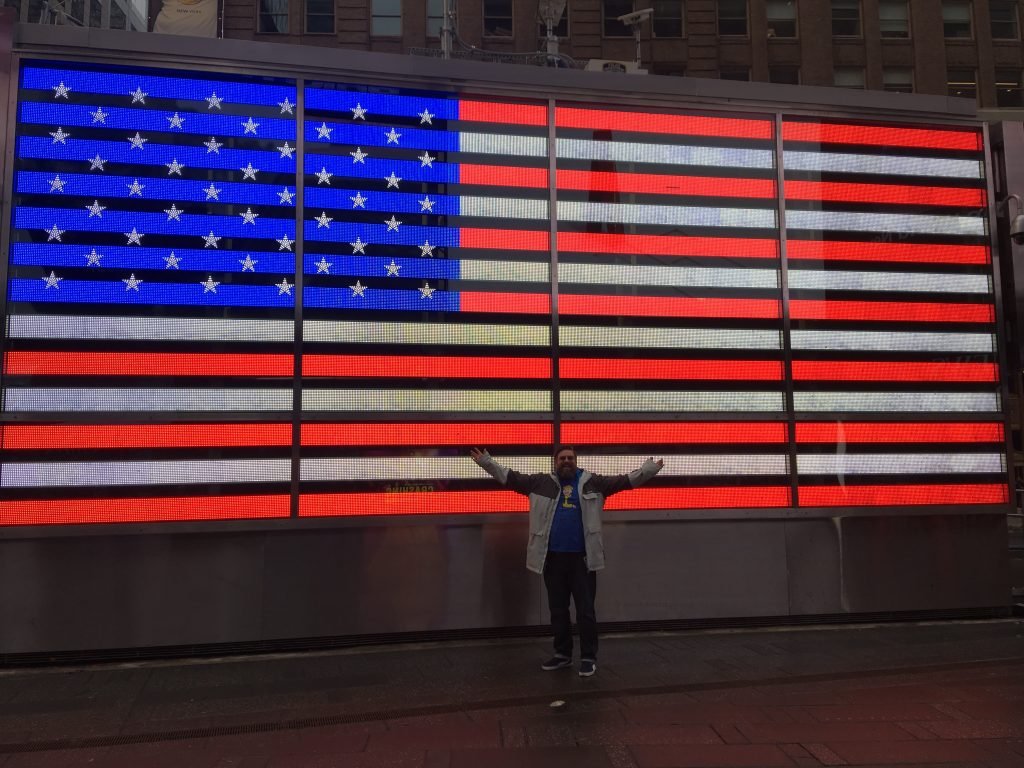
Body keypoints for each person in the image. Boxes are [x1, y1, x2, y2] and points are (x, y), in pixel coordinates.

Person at [470, 445, 663, 677]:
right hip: (553, 560)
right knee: (558, 610)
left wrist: (649, 470)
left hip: (583, 561)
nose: (566, 461)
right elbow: (509, 477)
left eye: (570, 458)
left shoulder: (593, 483)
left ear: (576, 460)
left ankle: (588, 657)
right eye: (562, 458)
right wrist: (486, 462)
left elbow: (625, 481)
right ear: (555, 461)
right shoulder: (539, 483)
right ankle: (562, 655)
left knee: (585, 611)